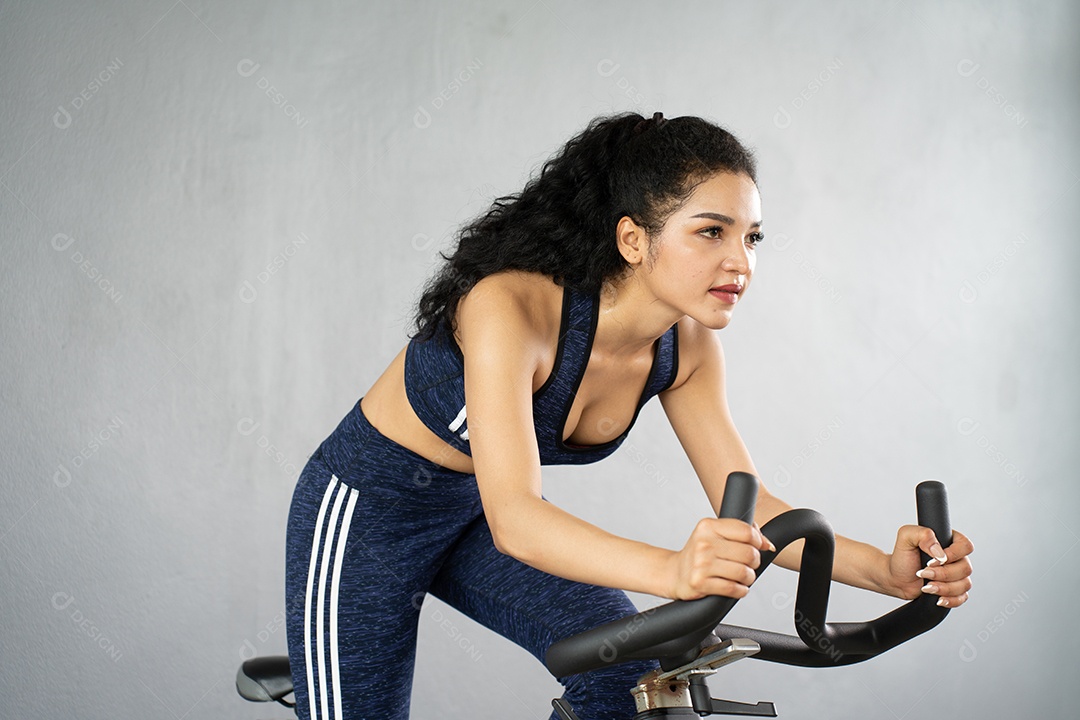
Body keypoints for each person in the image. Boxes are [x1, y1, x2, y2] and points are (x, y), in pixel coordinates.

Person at [284, 111, 975, 720]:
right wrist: (675, 572)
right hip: (366, 513)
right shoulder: (512, 307)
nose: (740, 262)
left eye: (753, 239)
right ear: (634, 239)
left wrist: (886, 574)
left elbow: (758, 508)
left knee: (627, 672)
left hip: (475, 511)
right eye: (711, 232)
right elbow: (518, 518)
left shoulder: (688, 347)